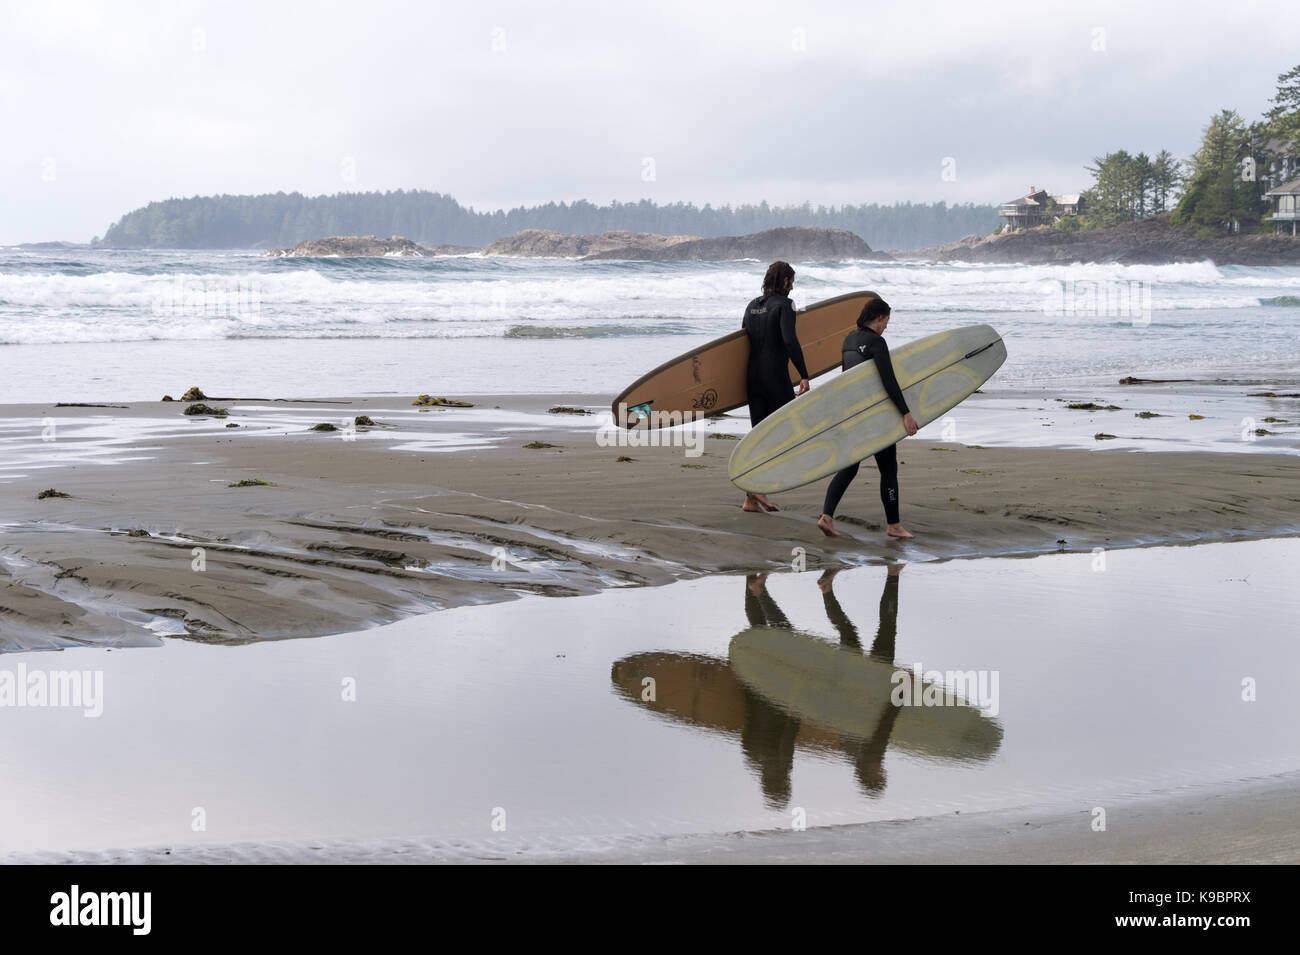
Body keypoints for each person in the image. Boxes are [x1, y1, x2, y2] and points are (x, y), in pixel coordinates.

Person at [817, 297, 919, 539]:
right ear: (880, 317)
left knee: (849, 466)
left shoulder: (848, 340)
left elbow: (845, 381)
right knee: (888, 469)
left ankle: (827, 516)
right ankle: (894, 526)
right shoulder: (877, 342)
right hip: (875, 417)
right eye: (887, 321)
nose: (887, 326)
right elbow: (889, 381)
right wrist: (905, 413)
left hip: (853, 415)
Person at [741, 261, 809, 513]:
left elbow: (740, 344)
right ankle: (759, 488)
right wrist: (804, 374)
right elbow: (790, 342)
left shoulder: (752, 306)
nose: (792, 287)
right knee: (782, 433)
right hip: (775, 378)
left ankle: (750, 497)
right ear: (784, 281)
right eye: (791, 281)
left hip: (752, 377)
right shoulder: (785, 305)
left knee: (758, 434)